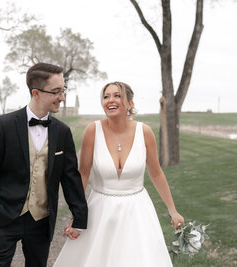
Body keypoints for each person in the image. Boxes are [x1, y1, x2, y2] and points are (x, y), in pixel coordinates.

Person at [54, 81, 184, 267]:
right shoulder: (93, 130)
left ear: (130, 103)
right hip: (100, 210)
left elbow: (156, 174)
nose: (110, 100)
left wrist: (173, 211)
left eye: (117, 95)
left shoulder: (144, 132)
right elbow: (83, 173)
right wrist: (77, 213)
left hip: (137, 211)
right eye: (106, 96)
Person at [0, 62, 88, 267]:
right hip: (4, 216)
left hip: (41, 220)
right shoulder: (4, 125)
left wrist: (79, 218)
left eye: (63, 91)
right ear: (36, 92)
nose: (62, 98)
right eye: (56, 92)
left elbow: (70, 177)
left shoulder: (62, 132)